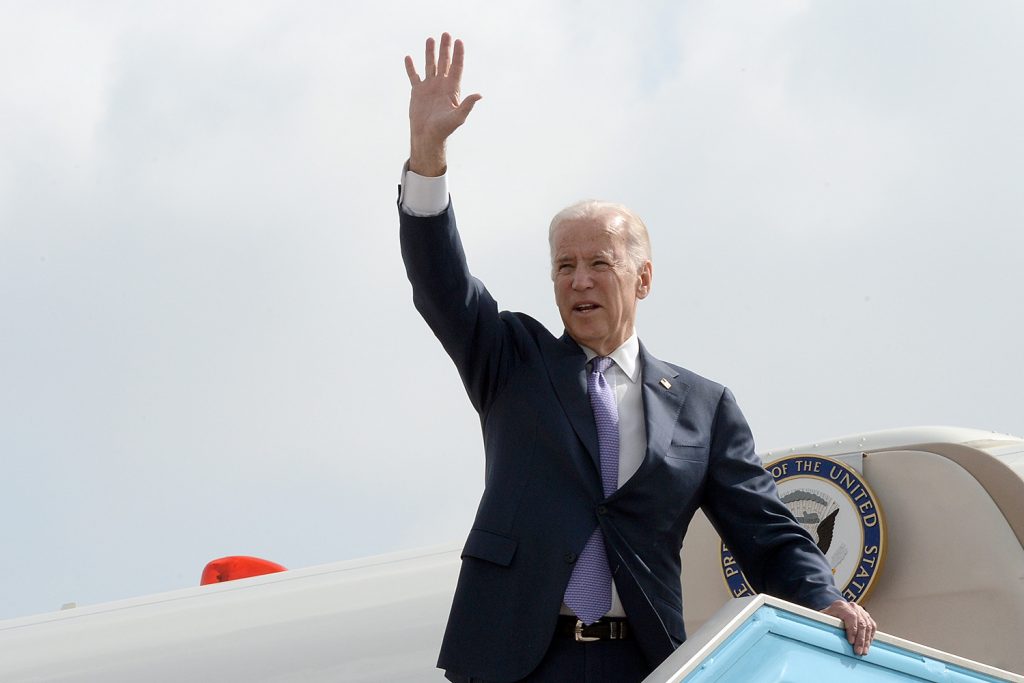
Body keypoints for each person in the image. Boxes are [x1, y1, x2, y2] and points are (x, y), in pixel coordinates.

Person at [399, 33, 876, 683]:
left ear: (642, 278)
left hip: (642, 661)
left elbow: (769, 534)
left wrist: (825, 600)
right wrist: (427, 155)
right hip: (515, 660)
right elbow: (441, 284)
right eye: (564, 266)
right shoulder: (512, 360)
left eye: (599, 263)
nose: (579, 281)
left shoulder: (704, 408)